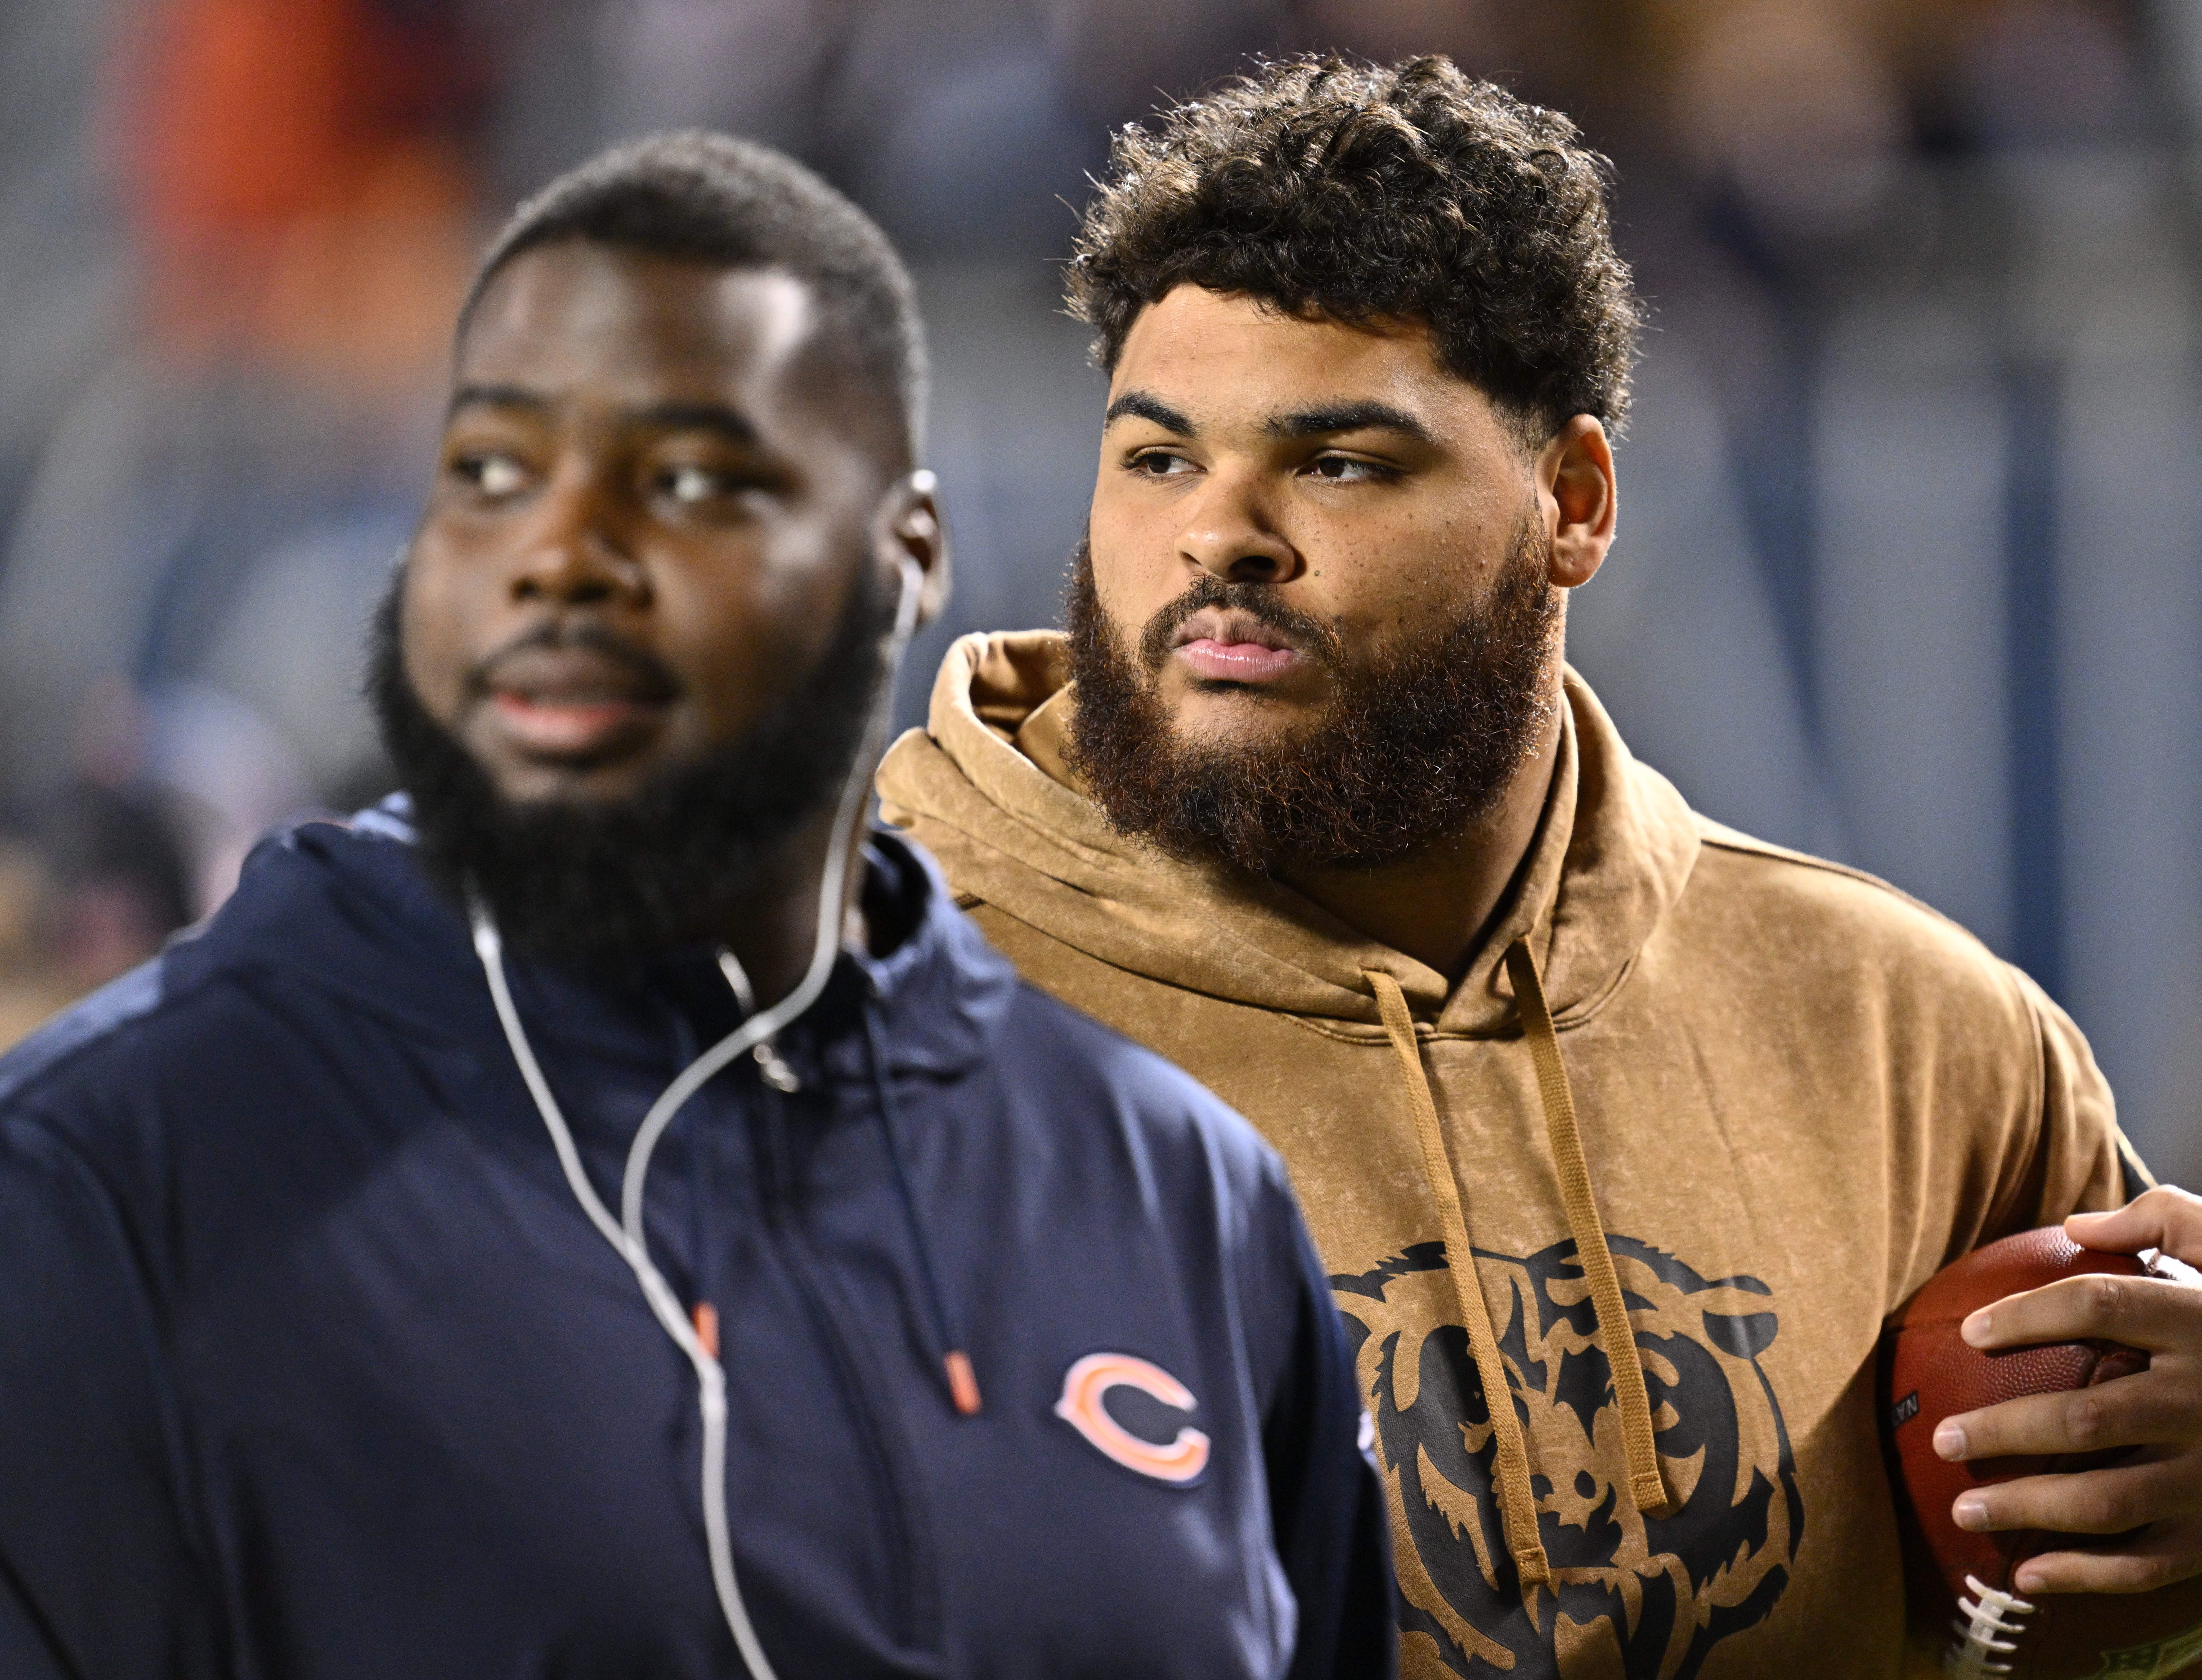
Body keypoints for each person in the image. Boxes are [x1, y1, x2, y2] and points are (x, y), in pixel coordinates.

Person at [877, 55, 2202, 1679]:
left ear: (1573, 501)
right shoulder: (842, 1029)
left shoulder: (1907, 1040)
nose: (1219, 533)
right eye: (1156, 457)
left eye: (1339, 461)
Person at [0, 132, 1392, 1680]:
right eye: (494, 474)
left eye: (689, 481)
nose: (564, 559)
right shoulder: (103, 1178)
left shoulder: (1181, 1196)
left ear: (904, 554)